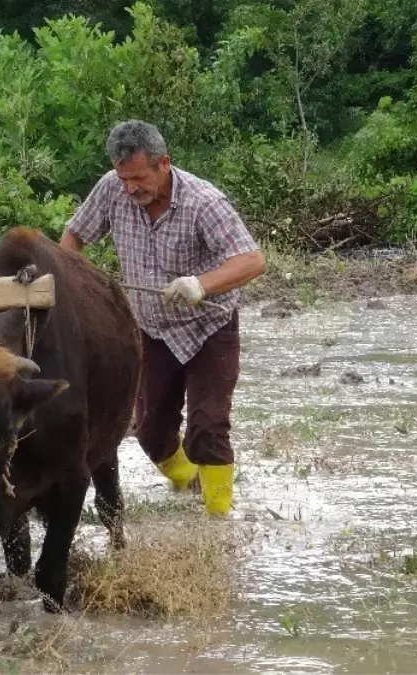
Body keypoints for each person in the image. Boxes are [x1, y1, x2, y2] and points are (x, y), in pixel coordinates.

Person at [59, 119, 265, 516]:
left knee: (208, 425)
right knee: (150, 432)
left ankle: (218, 518)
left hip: (209, 326)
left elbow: (252, 260)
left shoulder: (204, 202)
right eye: (124, 179)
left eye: (139, 178)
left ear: (164, 163)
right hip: (150, 330)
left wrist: (201, 284)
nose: (131, 188)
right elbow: (74, 239)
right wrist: (67, 280)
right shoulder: (111, 190)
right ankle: (189, 483)